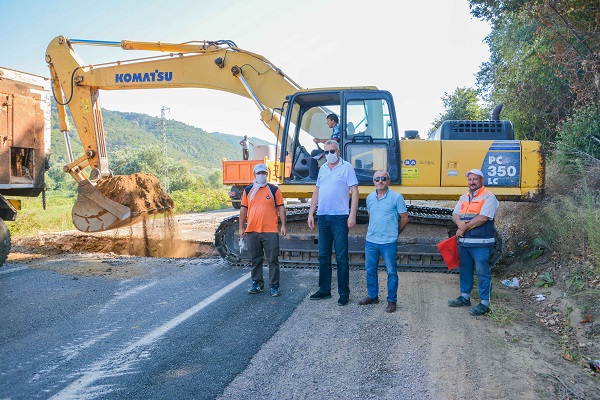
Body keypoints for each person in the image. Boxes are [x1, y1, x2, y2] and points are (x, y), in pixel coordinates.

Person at [307, 140, 359, 306]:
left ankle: (344, 293)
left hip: (339, 217)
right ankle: (324, 290)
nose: (329, 154)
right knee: (323, 255)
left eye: (332, 151)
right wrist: (311, 213)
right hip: (323, 217)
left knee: (342, 257)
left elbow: (355, 192)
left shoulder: (347, 167)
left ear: (338, 152)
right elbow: (317, 192)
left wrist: (352, 215)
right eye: (326, 151)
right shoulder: (322, 169)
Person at [447, 168, 500, 316]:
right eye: (470, 179)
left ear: (482, 181)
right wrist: (459, 225)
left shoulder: (489, 197)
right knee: (465, 270)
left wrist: (463, 227)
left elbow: (483, 217)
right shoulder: (464, 197)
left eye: (475, 179)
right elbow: (455, 215)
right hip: (465, 242)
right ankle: (465, 297)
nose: (472, 182)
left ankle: (485, 303)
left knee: (483, 271)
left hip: (481, 242)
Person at [358, 170, 409, 313]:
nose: (380, 181)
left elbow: (404, 218)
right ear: (373, 182)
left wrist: (395, 232)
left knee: (391, 272)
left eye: (383, 178)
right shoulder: (369, 198)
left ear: (388, 181)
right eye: (377, 179)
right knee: (370, 270)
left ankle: (392, 301)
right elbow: (371, 215)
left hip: (388, 242)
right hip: (371, 241)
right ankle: (372, 296)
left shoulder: (396, 198)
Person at [239, 163, 287, 297]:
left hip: (270, 231)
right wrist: (241, 227)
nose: (261, 175)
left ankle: (274, 285)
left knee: (273, 259)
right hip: (252, 231)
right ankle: (257, 283)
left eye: (264, 173)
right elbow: (243, 209)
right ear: (254, 174)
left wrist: (283, 225)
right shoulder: (248, 191)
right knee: (255, 259)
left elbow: (281, 208)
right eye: (259, 173)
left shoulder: (273, 189)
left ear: (267, 174)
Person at [307, 113, 340, 180]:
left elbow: (334, 140)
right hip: (334, 150)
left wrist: (319, 140)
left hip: (334, 151)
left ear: (332, 121)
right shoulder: (336, 128)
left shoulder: (337, 127)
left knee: (315, 154)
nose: (327, 123)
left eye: (328, 121)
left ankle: (313, 176)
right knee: (315, 152)